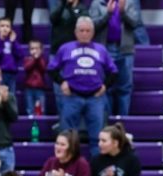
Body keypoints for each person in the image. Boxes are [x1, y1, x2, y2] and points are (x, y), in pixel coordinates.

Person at [48, 16, 118, 154]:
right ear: (75, 32)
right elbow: (51, 69)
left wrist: (105, 86)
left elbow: (114, 71)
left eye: (88, 31)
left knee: (98, 139)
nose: (84, 34)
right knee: (67, 138)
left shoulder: (101, 50)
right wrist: (62, 82)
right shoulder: (65, 48)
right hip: (72, 96)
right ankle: (69, 171)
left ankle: (97, 172)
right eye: (81, 30)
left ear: (92, 32)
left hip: (95, 97)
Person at [91, 0, 137, 116]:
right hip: (104, 50)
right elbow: (92, 26)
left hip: (124, 49)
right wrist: (108, 14)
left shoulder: (128, 2)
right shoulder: (97, 3)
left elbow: (135, 23)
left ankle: (124, 123)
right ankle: (109, 123)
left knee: (125, 88)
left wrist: (122, 12)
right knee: (107, 87)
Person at [49, 0, 89, 117]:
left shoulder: (83, 9)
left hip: (74, 54)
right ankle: (62, 120)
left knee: (75, 89)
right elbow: (53, 19)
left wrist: (71, 9)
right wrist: (63, 5)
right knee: (59, 90)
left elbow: (79, 24)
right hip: (57, 53)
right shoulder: (59, 7)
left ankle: (72, 121)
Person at [0, 17, 26, 93]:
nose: (5, 28)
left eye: (7, 26)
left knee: (11, 96)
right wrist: (1, 42)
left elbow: (20, 55)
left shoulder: (13, 42)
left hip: (12, 74)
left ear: (11, 29)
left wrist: (14, 42)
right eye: (2, 26)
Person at [22, 39, 47, 116]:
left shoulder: (43, 60)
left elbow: (43, 69)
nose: (35, 51)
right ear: (29, 50)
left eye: (37, 48)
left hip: (40, 88)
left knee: (40, 109)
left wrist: (38, 59)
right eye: (32, 48)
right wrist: (34, 59)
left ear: (41, 50)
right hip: (28, 88)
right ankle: (31, 125)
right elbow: (27, 68)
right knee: (30, 109)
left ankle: (40, 125)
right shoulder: (27, 59)